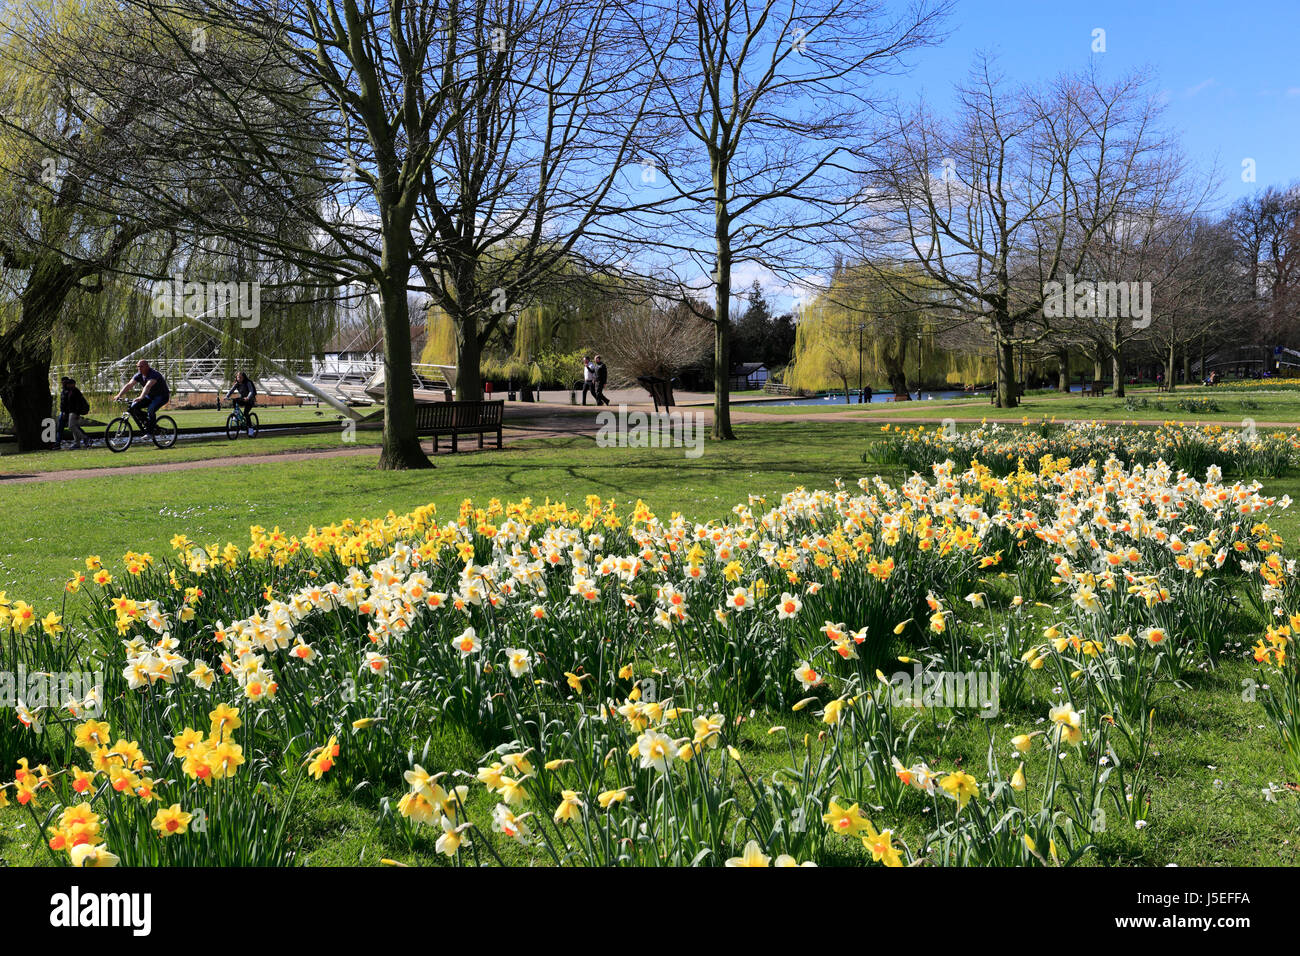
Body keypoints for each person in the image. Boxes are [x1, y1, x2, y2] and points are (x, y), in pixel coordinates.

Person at [113, 359, 170, 432]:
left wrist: (141, 397)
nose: (139, 368)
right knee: (134, 406)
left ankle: (150, 431)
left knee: (151, 409)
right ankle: (148, 422)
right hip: (150, 396)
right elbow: (129, 385)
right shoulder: (139, 375)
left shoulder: (154, 374)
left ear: (147, 366)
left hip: (162, 396)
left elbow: (147, 386)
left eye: (141, 366)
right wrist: (119, 395)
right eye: (138, 366)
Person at [59, 376, 92, 449]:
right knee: (75, 426)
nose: (67, 385)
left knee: (71, 426)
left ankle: (85, 438)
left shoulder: (75, 391)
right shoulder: (69, 391)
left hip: (74, 412)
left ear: (73, 384)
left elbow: (78, 404)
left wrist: (77, 413)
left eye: (69, 384)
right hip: (71, 412)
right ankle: (77, 444)